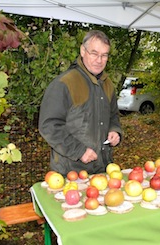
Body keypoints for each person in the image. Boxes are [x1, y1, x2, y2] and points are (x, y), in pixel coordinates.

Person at [39, 30, 122, 176]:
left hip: (102, 168)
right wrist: (79, 151)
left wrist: (115, 130)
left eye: (104, 55)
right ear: (83, 51)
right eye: (94, 53)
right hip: (70, 172)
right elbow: (49, 125)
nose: (99, 60)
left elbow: (113, 116)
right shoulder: (64, 83)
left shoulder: (108, 84)